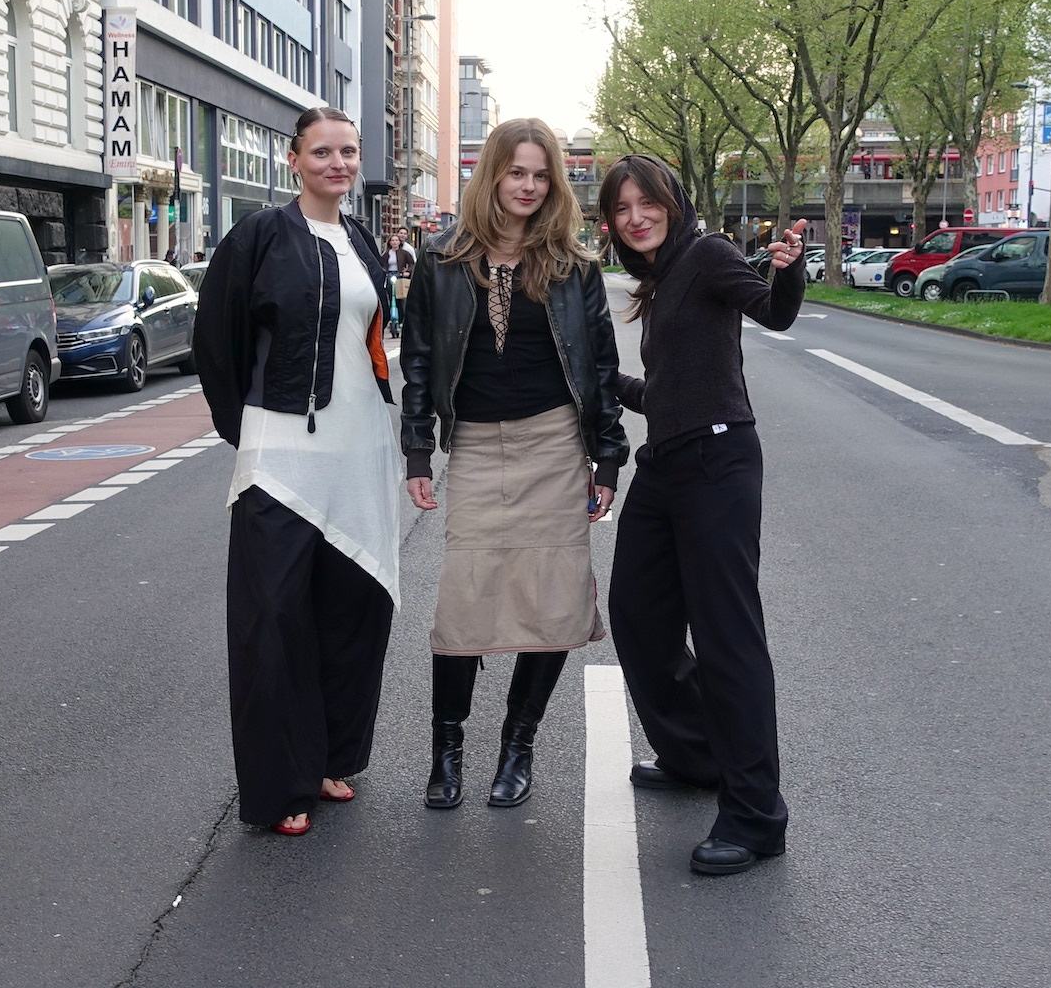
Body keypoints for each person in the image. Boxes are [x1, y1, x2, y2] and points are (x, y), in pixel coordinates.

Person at [401, 117, 627, 811]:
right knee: (464, 601)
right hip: (474, 445)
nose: (528, 186)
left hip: (555, 443)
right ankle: (446, 752)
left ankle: (517, 746)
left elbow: (601, 366)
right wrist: (416, 450)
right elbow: (419, 362)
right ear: (491, 175)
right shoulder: (441, 260)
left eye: (540, 175)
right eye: (516, 172)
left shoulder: (574, 266)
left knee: (552, 602)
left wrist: (608, 458)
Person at [192, 106, 403, 837]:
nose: (338, 164)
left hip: (359, 452)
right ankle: (280, 784)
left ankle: (329, 758)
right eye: (322, 152)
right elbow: (215, 341)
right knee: (273, 620)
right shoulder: (259, 236)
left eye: (348, 151)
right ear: (294, 160)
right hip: (280, 459)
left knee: (352, 610)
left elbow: (373, 340)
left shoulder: (363, 240)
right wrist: (250, 428)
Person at [599, 153, 804, 877]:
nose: (636, 218)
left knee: (727, 638)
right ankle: (697, 756)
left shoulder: (710, 255)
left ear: (673, 201)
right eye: (622, 209)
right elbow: (669, 391)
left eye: (647, 203)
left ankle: (755, 817)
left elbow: (775, 311)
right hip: (667, 462)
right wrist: (604, 381)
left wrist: (788, 269)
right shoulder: (662, 278)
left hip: (718, 463)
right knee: (638, 616)